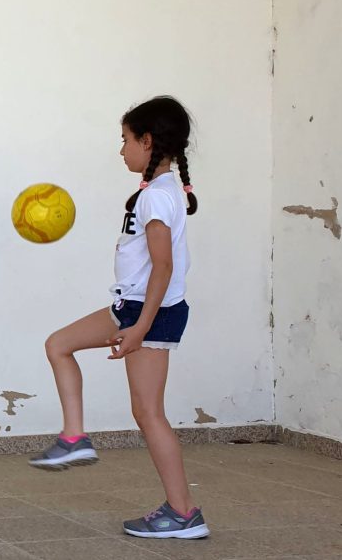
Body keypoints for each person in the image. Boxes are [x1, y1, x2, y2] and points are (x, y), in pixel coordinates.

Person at [28, 96, 209, 540]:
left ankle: (183, 512)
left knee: (149, 413)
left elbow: (163, 268)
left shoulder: (157, 199)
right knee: (59, 344)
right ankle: (74, 438)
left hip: (151, 313)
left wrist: (140, 329)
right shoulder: (159, 192)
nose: (121, 149)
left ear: (147, 142)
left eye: (125, 140)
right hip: (130, 307)